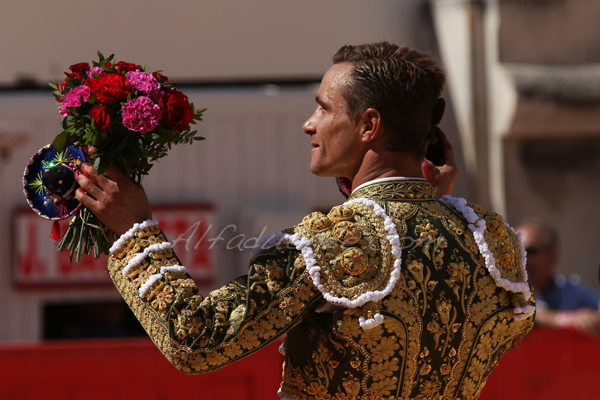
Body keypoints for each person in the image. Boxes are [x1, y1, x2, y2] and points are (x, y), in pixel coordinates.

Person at [74, 42, 535, 400]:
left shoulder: (334, 244)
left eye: (324, 108)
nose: (308, 124)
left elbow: (196, 341)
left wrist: (135, 233)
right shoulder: (493, 242)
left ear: (369, 126)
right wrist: (427, 201)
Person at [516, 221, 600, 337]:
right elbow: (522, 312)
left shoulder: (568, 288)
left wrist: (590, 319)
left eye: (530, 251)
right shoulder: (508, 292)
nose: (522, 258)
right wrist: (568, 319)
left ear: (551, 255)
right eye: (516, 251)